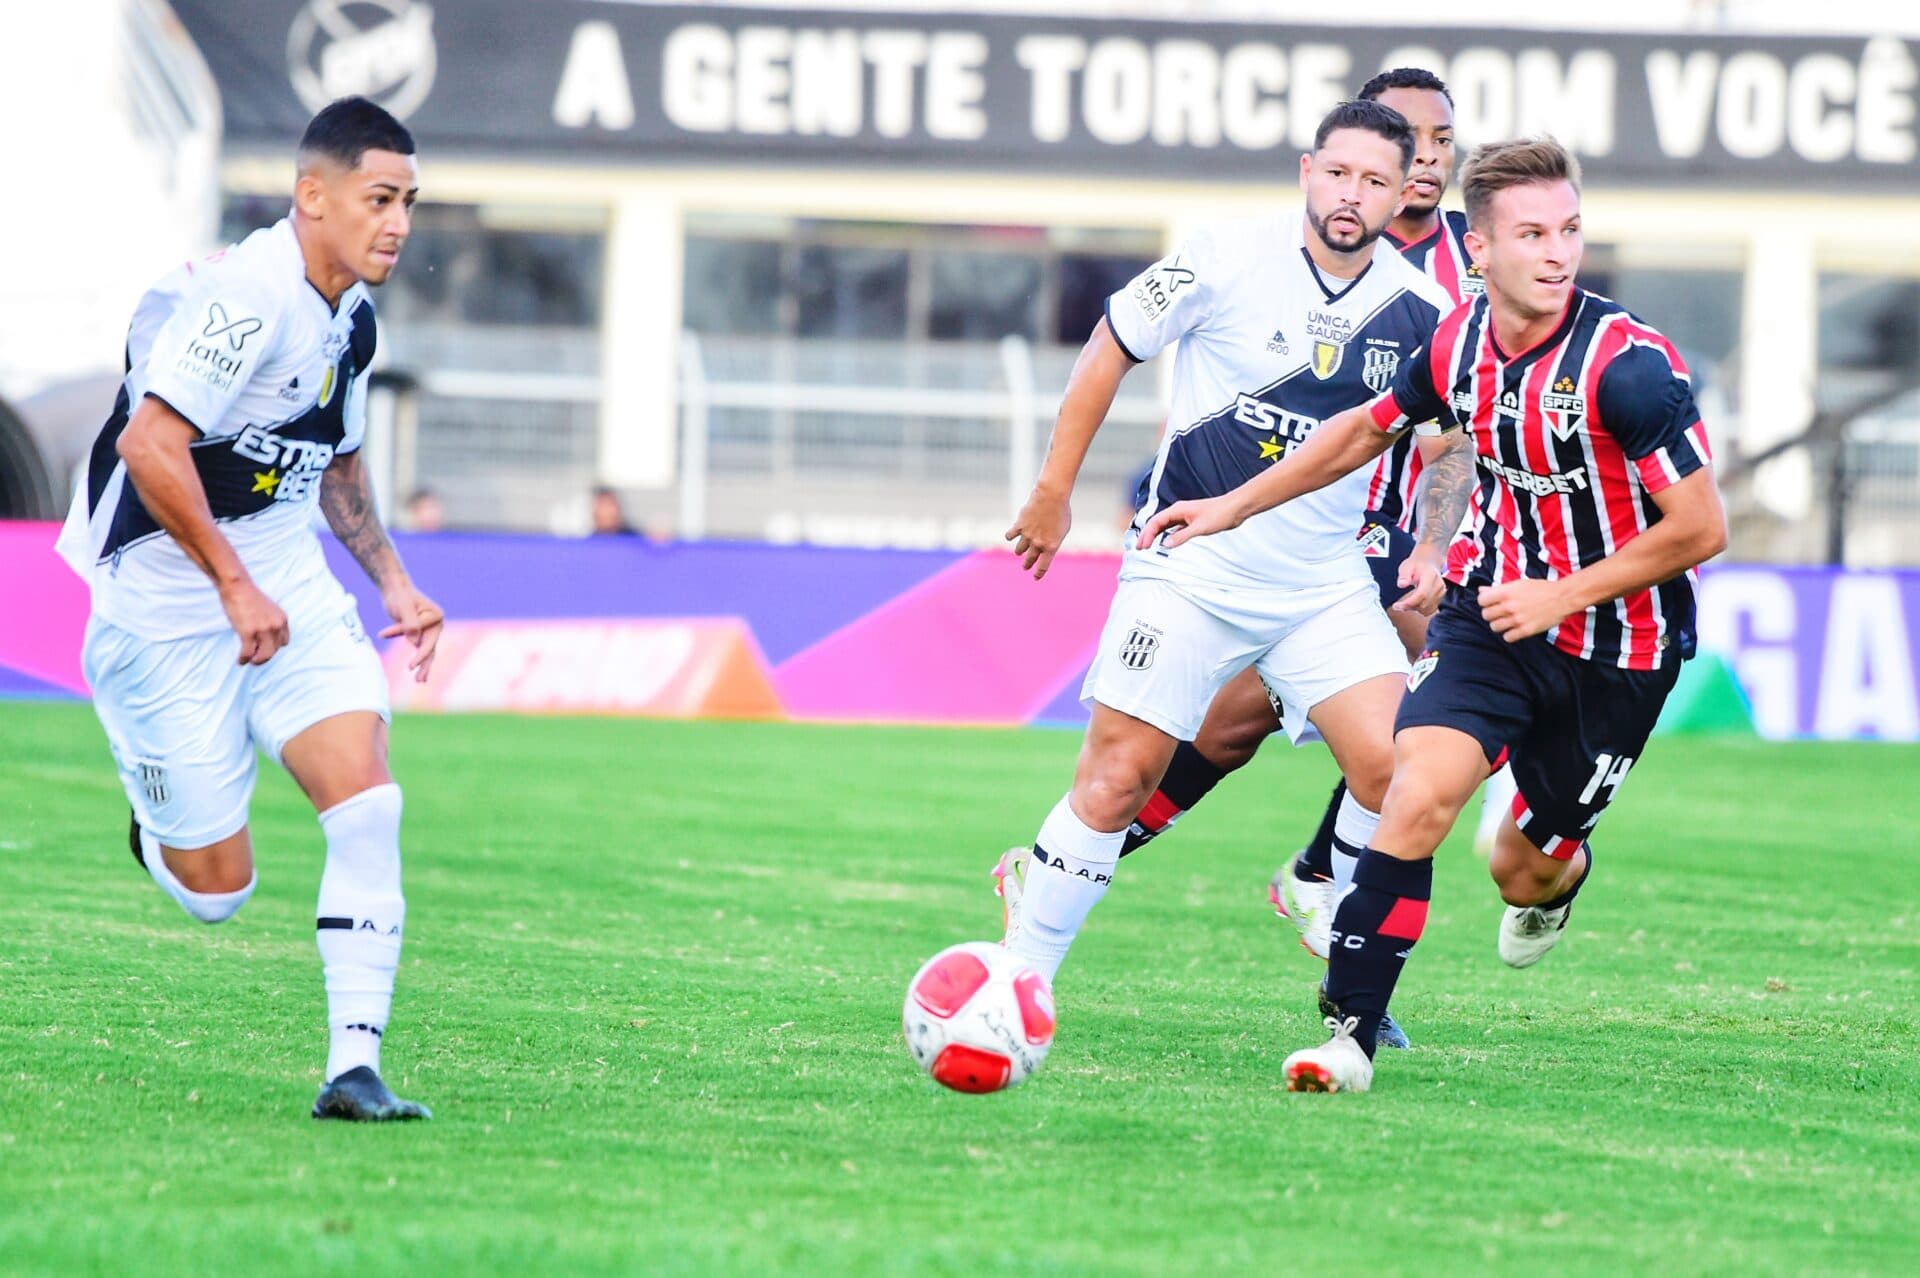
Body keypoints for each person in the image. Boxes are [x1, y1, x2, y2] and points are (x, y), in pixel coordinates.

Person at [1138, 136, 1727, 1093]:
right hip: (1489, 619)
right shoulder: (1455, 342)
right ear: (1479, 250)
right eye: (1532, 233)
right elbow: (1357, 435)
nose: (1557, 252)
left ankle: (1558, 879)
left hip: (1618, 648)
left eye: (1570, 230)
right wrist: (1230, 504)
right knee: (1414, 797)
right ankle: (1349, 1038)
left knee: (1519, 868)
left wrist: (1562, 595)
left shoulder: (1630, 369)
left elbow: (1701, 528)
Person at [997, 68, 1470, 1050]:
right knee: (1120, 773)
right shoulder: (1220, 255)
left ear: (1403, 193)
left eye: (1374, 181)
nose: (1351, 195)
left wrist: (1433, 540)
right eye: (1336, 172)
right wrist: (1054, 488)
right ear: (1308, 172)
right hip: (1189, 568)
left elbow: (1453, 439)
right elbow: (1108, 347)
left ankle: (1351, 987)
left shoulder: (1423, 312)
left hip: (1321, 587)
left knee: (1406, 776)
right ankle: (1020, 986)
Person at [55, 96, 444, 1121]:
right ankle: (156, 822)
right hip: (163, 615)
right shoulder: (245, 299)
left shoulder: (353, 318)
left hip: (287, 586)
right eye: (379, 198)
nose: (398, 221)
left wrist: (393, 584)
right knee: (219, 892)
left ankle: (353, 1070)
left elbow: (338, 465)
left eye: (408, 201)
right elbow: (149, 446)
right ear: (313, 197)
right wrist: (231, 586)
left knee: (369, 803)